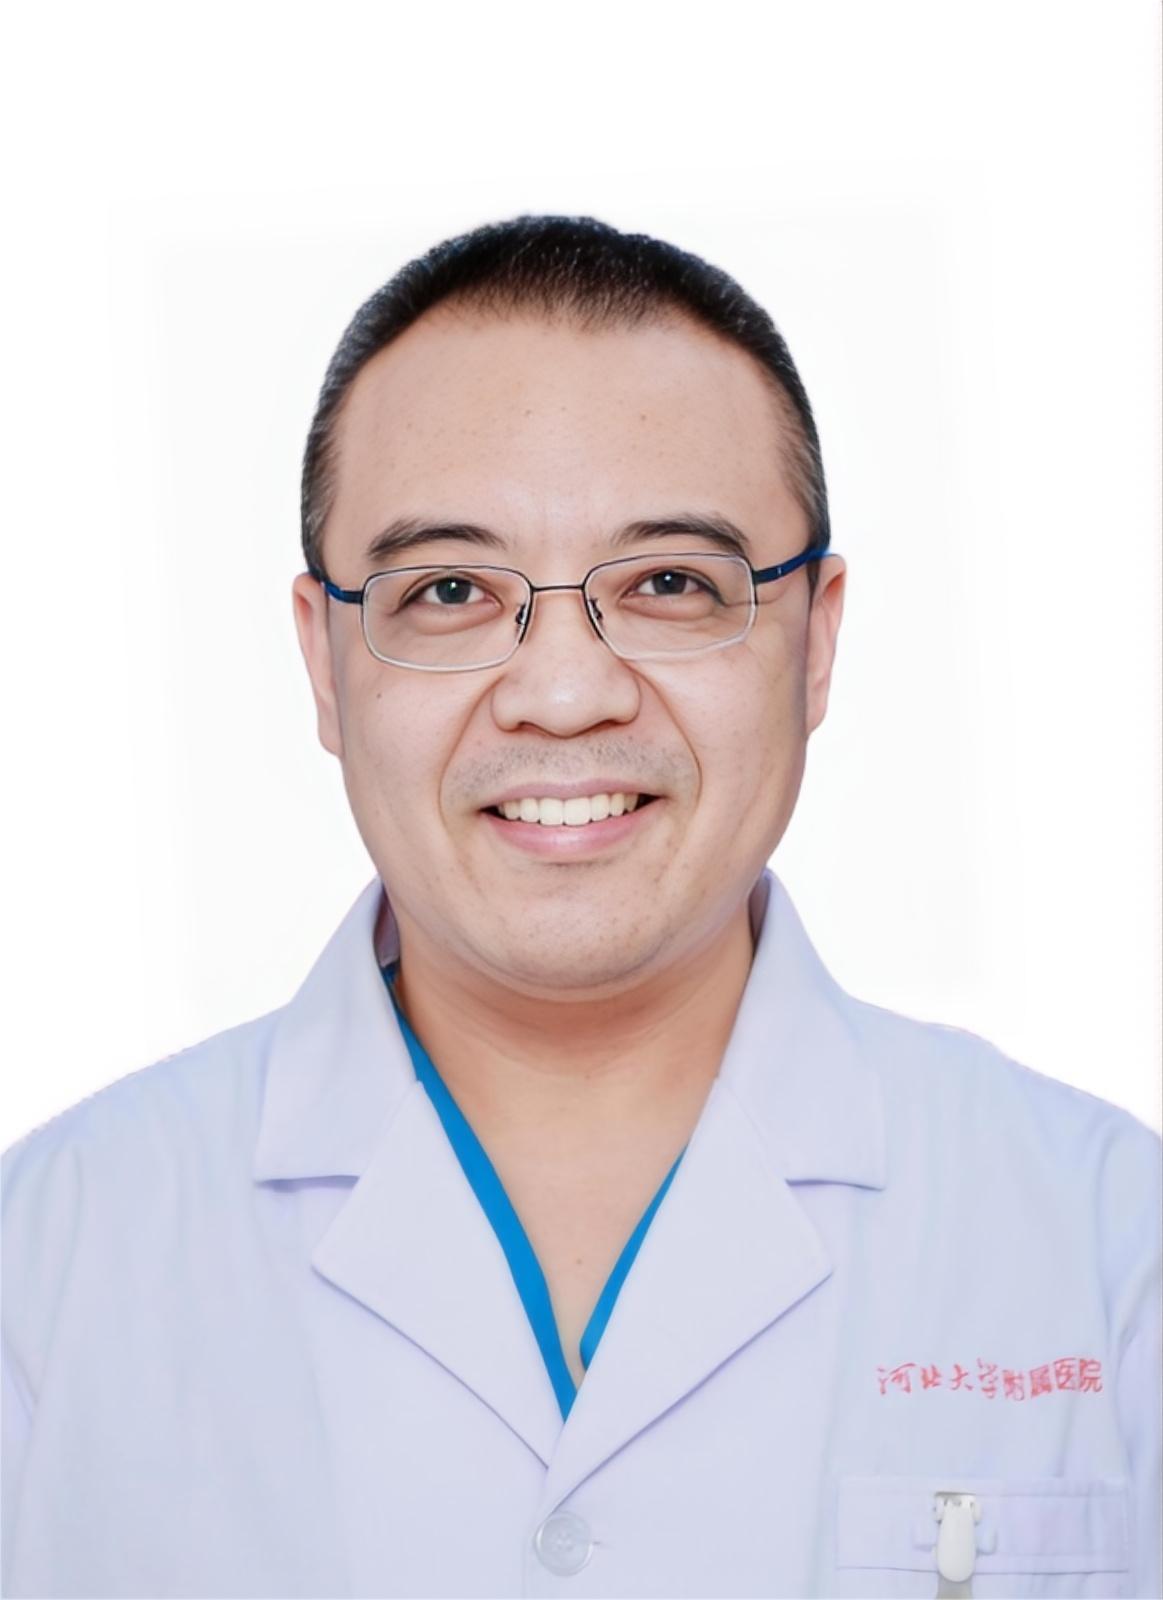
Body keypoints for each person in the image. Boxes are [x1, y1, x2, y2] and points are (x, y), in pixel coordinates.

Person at [2, 215, 1159, 1600]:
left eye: (671, 583)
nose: (562, 694)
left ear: (817, 639)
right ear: (324, 662)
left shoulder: (1109, 1241)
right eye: (449, 590)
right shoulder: (50, 1259)